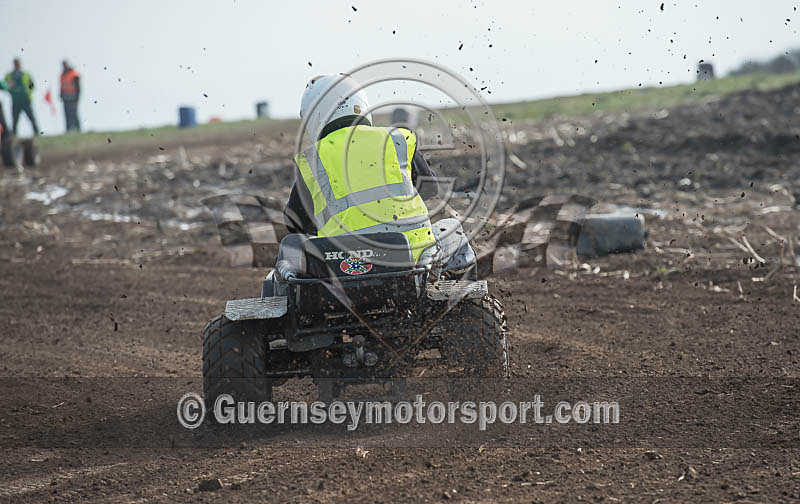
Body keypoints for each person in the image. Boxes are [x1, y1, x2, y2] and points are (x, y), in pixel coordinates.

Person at [283, 74, 475, 272]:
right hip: (413, 259)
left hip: (340, 267)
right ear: (361, 102)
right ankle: (462, 299)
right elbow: (430, 189)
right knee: (452, 228)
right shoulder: (396, 139)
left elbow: (294, 221)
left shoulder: (313, 158)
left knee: (290, 249)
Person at [4, 58, 38, 136]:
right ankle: (14, 135)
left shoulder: (26, 74)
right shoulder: (9, 76)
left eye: (18, 63)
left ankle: (37, 133)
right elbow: (4, 85)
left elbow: (32, 86)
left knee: (31, 118)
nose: (16, 65)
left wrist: (27, 92)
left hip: (25, 100)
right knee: (15, 120)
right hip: (15, 100)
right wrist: (9, 88)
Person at [59, 60, 81, 132]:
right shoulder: (62, 75)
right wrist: (61, 95)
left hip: (73, 98)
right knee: (67, 115)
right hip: (65, 98)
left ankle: (78, 129)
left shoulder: (73, 74)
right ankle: (68, 130)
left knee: (74, 115)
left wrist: (77, 97)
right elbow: (61, 87)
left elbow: (78, 88)